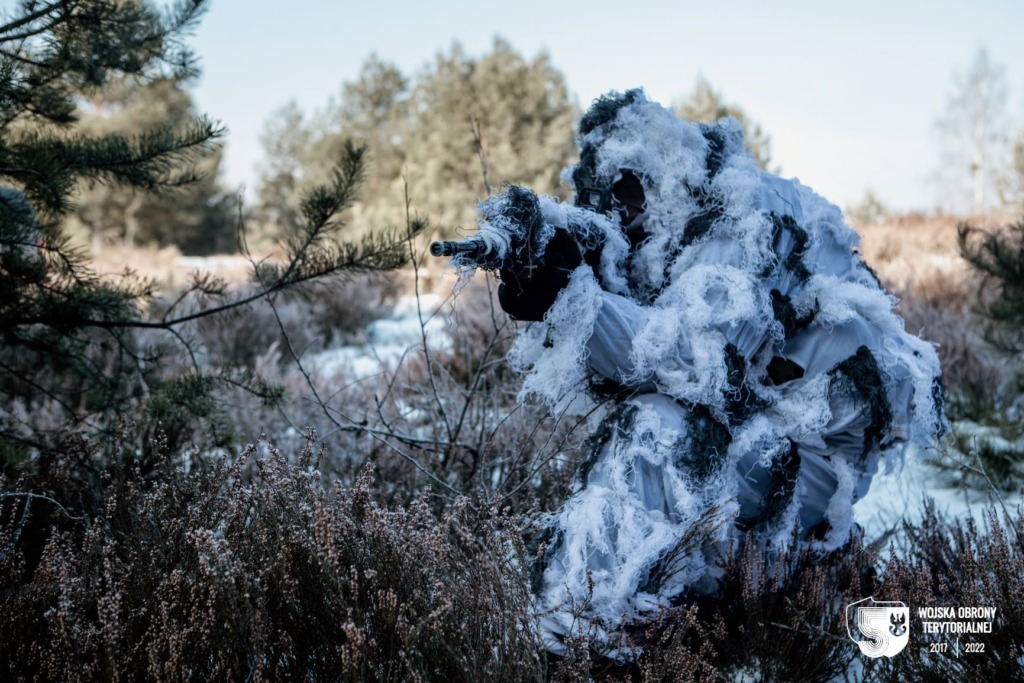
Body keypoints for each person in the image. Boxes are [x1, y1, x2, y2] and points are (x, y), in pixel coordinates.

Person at [458, 89, 947, 657]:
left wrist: (572, 298)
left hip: (809, 463)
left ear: (662, 172)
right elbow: (635, 364)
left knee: (655, 429)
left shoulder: (741, 218)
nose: (620, 215)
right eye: (605, 197)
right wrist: (567, 274)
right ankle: (642, 613)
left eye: (628, 193)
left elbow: (701, 366)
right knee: (653, 426)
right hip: (772, 433)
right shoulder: (678, 218)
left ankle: (583, 641)